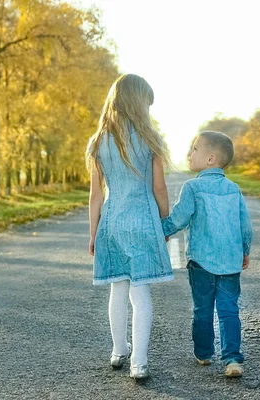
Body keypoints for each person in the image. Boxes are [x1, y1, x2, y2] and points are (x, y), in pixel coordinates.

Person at [86, 74, 173, 382]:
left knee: (117, 288)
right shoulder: (151, 140)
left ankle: (119, 349)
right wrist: (166, 224)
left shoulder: (98, 142)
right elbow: (160, 190)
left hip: (111, 223)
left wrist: (93, 232)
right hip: (142, 222)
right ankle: (139, 361)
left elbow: (96, 195)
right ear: (139, 104)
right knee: (141, 292)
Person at [161, 130, 252, 378]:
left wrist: (161, 230)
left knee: (202, 309)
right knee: (229, 310)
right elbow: (245, 224)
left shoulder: (192, 187)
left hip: (201, 261)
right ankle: (233, 359)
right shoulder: (233, 189)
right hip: (231, 261)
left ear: (210, 159)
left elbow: (179, 218)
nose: (189, 154)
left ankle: (203, 353)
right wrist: (244, 250)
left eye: (194, 149)